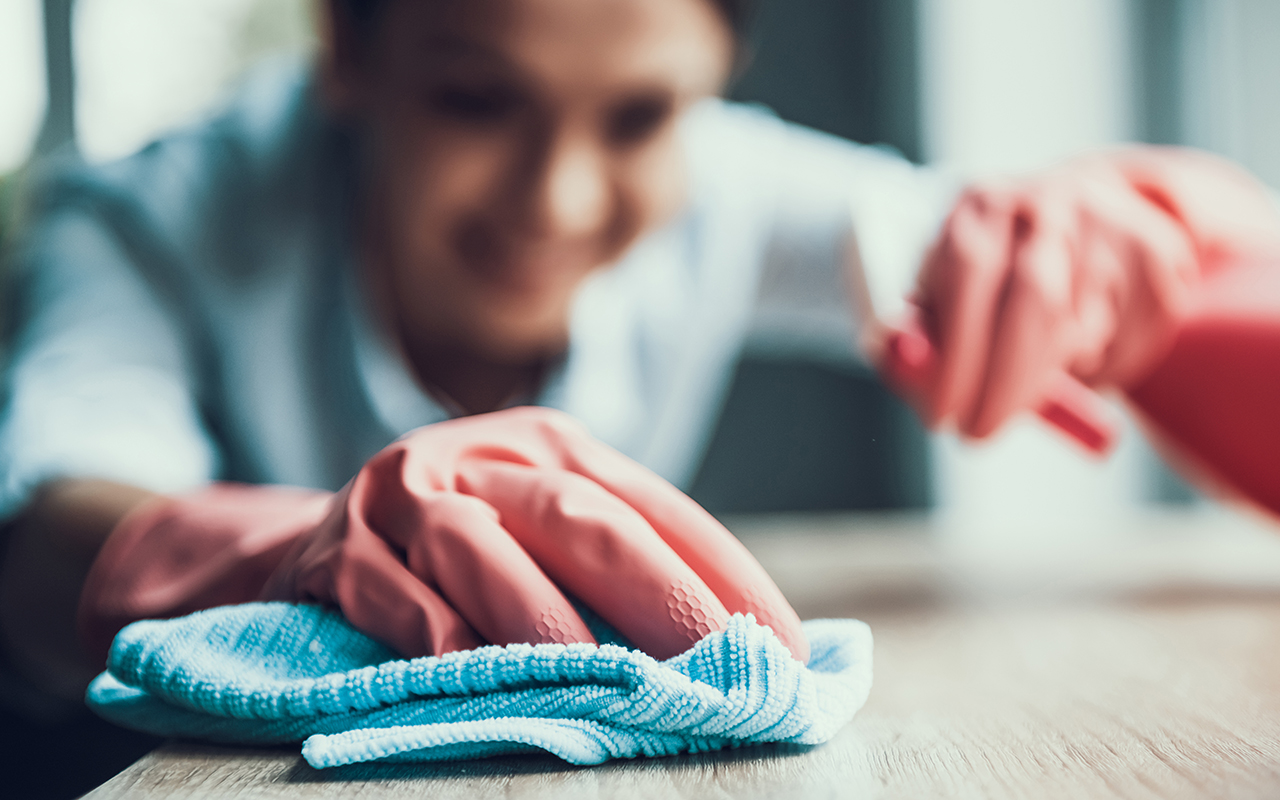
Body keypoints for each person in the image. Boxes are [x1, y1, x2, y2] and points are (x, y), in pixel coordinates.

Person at [2, 0, 1280, 708]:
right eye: (474, 98)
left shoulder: (720, 184)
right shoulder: (155, 220)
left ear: (712, 87)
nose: (557, 199)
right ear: (350, 49)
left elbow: (1088, 272)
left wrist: (1134, 242)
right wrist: (300, 548)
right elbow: (41, 527)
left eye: (639, 115)